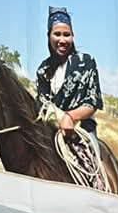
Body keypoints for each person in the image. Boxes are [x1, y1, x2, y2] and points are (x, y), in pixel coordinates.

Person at [34, 8, 103, 138]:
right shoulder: (43, 70)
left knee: (92, 151)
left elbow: (93, 102)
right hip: (51, 128)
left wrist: (70, 117)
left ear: (72, 36)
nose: (62, 40)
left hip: (83, 129)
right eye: (57, 34)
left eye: (67, 35)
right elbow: (42, 104)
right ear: (49, 36)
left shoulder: (86, 62)